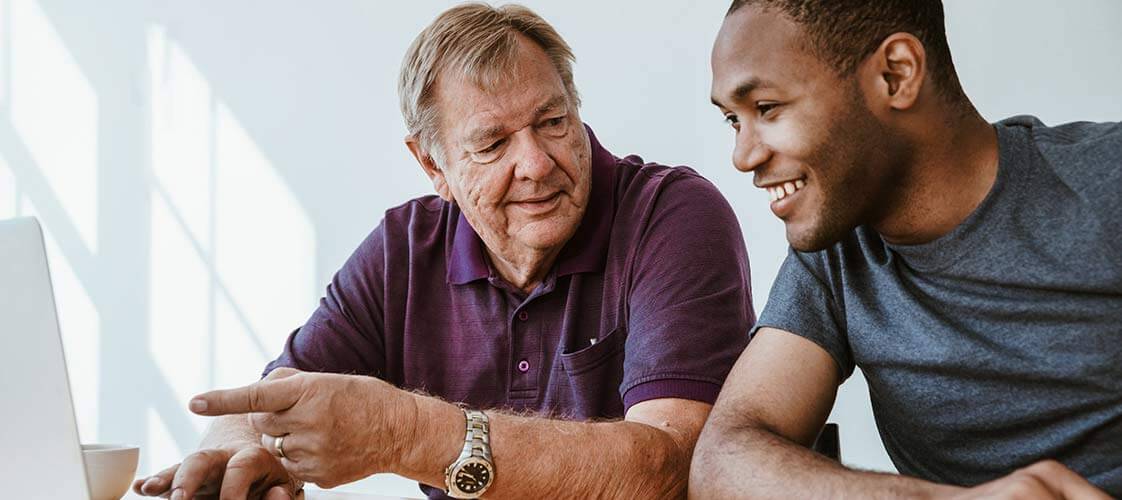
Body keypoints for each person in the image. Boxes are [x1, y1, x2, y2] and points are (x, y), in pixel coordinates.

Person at [134, 3, 754, 499]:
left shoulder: (672, 216)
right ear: (432, 164)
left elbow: (671, 468)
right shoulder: (404, 248)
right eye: (492, 144)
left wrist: (404, 432)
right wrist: (238, 453)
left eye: (553, 122)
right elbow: (275, 398)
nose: (536, 164)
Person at [693, 0, 1121, 498]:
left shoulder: (1105, 181)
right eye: (732, 120)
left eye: (766, 109)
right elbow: (723, 463)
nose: (743, 157)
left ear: (896, 75)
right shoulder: (833, 255)